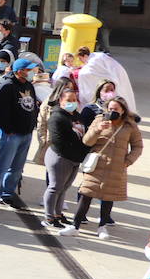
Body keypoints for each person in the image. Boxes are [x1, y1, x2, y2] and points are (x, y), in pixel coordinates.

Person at [60, 95, 142, 239]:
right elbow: (87, 141)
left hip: (117, 167)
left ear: (123, 110)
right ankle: (75, 225)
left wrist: (127, 161)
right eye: (110, 108)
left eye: (116, 109)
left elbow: (137, 146)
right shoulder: (99, 120)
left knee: (108, 197)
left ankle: (102, 227)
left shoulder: (130, 125)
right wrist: (97, 129)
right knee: (86, 194)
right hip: (97, 164)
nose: (112, 111)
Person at [0, 58, 42, 214]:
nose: (32, 72)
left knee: (17, 168)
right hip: (11, 134)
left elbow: (32, 107)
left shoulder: (29, 85)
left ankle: (8, 194)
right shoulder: (7, 86)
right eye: (28, 69)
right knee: (2, 166)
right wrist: (8, 129)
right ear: (20, 71)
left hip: (26, 133)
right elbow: (0, 110)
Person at [39, 82, 86, 230]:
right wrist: (80, 149)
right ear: (61, 101)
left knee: (63, 188)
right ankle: (48, 217)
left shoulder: (77, 116)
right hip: (60, 157)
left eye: (74, 100)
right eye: (69, 100)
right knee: (55, 187)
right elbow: (60, 141)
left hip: (74, 159)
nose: (72, 103)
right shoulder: (57, 117)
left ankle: (58, 214)